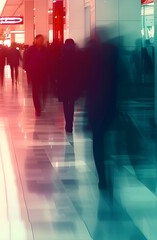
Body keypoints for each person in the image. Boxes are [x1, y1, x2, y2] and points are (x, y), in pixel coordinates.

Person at [85, 30, 120, 190]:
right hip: (111, 105)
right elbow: (122, 77)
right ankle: (110, 171)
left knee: (98, 141)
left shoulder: (89, 55)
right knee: (110, 140)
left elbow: (83, 81)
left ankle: (102, 177)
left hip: (95, 106)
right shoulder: (113, 52)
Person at [58, 39, 82, 133]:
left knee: (65, 103)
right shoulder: (77, 55)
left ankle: (67, 122)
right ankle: (70, 124)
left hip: (64, 83)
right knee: (71, 103)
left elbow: (58, 71)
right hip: (73, 83)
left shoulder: (62, 56)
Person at [24, 35, 49, 116]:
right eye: (39, 40)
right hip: (34, 73)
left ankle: (42, 102)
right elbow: (26, 60)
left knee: (44, 90)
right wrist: (28, 69)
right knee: (35, 91)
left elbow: (49, 60)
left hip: (44, 73)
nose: (41, 41)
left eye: (42, 40)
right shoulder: (31, 49)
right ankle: (37, 108)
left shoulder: (45, 49)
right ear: (36, 40)